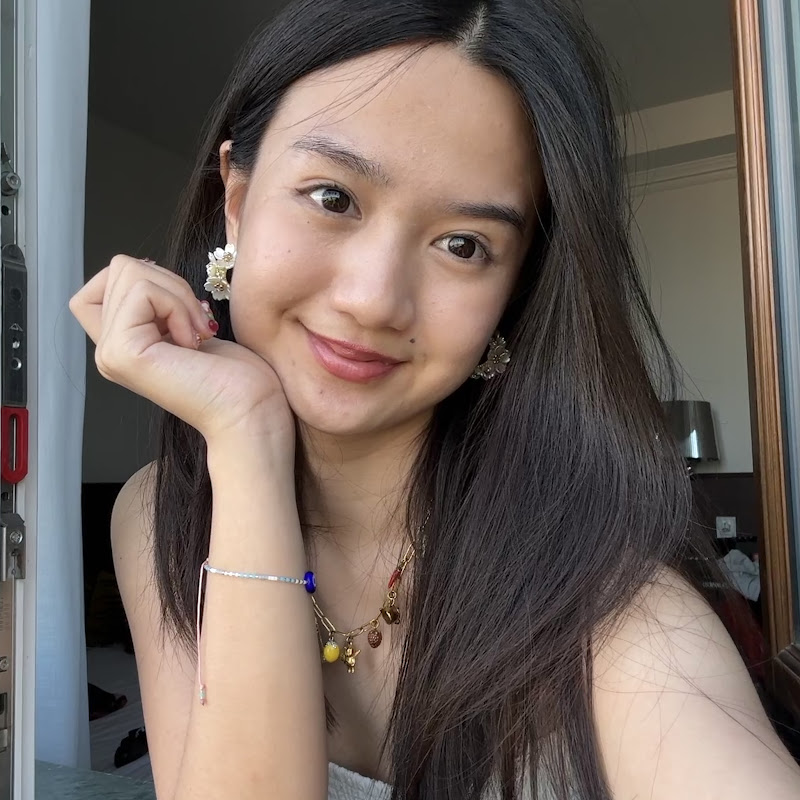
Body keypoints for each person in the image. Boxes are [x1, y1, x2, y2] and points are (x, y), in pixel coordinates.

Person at [69, 1, 800, 798]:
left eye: (463, 245)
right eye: (333, 198)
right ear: (237, 202)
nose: (374, 299)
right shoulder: (161, 515)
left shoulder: (616, 616)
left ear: (514, 289)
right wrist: (246, 440)